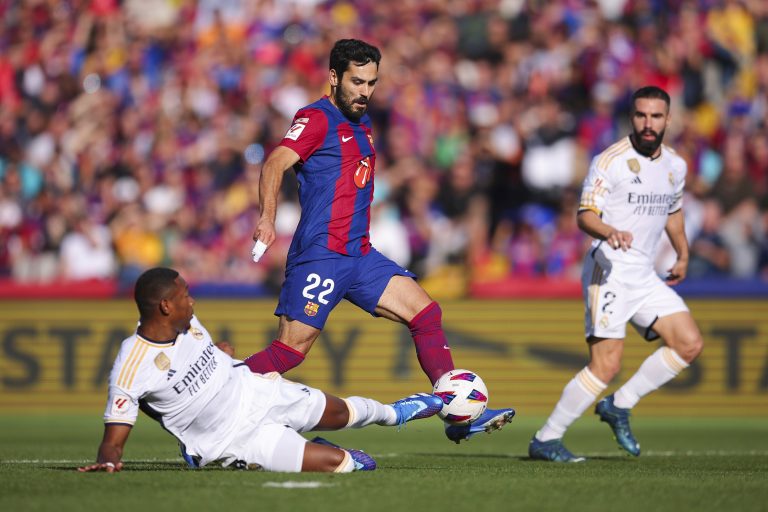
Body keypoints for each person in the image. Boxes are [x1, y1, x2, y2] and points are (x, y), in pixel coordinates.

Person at [247, 38, 514, 443]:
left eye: (371, 83)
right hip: (321, 255)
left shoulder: (363, 122)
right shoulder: (315, 117)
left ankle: (458, 414)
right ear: (334, 77)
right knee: (289, 352)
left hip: (360, 254)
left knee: (426, 314)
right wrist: (267, 218)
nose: (365, 92)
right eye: (356, 82)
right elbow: (274, 162)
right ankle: (209, 402)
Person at [78, 267, 444, 474]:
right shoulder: (132, 365)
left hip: (255, 390)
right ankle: (318, 449)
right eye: (184, 295)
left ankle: (395, 413)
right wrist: (107, 462)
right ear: (164, 306)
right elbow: (113, 439)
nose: (192, 300)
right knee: (349, 466)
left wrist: (221, 355)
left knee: (345, 412)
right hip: (230, 439)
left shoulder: (187, 321)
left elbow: (200, 355)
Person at [528, 86, 704, 462]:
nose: (648, 123)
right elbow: (584, 215)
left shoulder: (675, 165)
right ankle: (546, 438)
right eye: (641, 115)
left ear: (668, 120)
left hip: (644, 273)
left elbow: (673, 211)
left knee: (688, 343)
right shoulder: (610, 161)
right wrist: (610, 231)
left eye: (656, 116)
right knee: (606, 364)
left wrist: (683, 253)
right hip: (608, 269)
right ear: (632, 117)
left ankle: (619, 405)